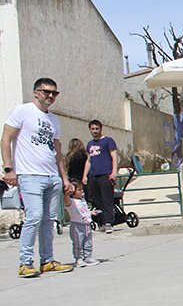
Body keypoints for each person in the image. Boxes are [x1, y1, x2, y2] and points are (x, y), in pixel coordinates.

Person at [2, 77, 75, 277]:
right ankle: (25, 262)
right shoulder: (22, 111)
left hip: (52, 175)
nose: (50, 96)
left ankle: (47, 260)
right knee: (33, 217)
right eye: (46, 91)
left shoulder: (53, 119)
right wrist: (9, 169)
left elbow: (57, 151)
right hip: (30, 174)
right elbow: (6, 139)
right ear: (36, 92)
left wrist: (64, 178)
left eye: (54, 93)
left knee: (48, 220)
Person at [83, 119, 118, 234]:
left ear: (101, 129)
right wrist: (85, 175)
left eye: (97, 128)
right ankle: (102, 222)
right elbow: (88, 160)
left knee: (107, 199)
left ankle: (109, 222)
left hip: (105, 174)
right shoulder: (90, 144)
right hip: (93, 175)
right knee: (97, 201)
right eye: (93, 129)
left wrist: (114, 172)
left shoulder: (108, 141)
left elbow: (114, 156)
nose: (95, 131)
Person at [64, 178, 99, 267]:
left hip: (87, 225)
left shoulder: (82, 200)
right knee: (78, 243)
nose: (82, 191)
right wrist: (67, 194)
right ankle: (79, 258)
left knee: (88, 242)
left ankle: (88, 257)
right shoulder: (71, 201)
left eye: (82, 189)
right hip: (77, 225)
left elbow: (83, 210)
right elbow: (66, 201)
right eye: (79, 189)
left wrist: (90, 213)